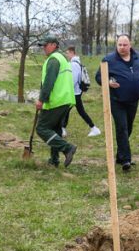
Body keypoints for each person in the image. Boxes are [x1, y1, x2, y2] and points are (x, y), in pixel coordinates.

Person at [95, 34, 139, 172]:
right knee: (122, 127)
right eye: (119, 45)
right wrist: (108, 82)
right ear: (116, 45)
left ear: (130, 45)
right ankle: (126, 160)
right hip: (117, 100)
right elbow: (99, 77)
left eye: (125, 45)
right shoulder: (109, 60)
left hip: (133, 100)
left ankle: (120, 155)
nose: (122, 47)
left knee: (128, 128)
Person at [35, 35, 77, 168]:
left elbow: (48, 82)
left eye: (45, 45)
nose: (43, 48)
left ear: (54, 45)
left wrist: (41, 99)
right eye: (42, 46)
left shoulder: (53, 60)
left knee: (41, 128)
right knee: (55, 129)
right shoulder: (62, 58)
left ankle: (67, 148)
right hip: (66, 99)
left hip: (57, 100)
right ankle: (54, 160)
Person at [63, 46, 100, 137]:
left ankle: (94, 128)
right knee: (68, 111)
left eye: (67, 53)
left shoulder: (74, 64)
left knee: (71, 111)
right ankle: (62, 129)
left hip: (74, 92)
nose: (66, 55)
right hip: (76, 92)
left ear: (72, 52)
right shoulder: (75, 62)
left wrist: (68, 89)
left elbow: (74, 79)